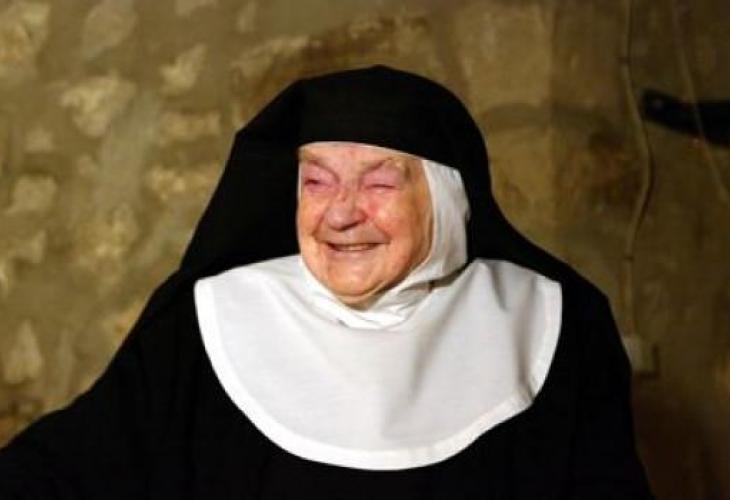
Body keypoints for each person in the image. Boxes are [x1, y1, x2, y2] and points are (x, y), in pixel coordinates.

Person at [0, 65, 653, 498]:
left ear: (445, 198)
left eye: (379, 182)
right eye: (316, 181)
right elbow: (63, 474)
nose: (340, 214)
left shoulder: (552, 326)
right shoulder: (208, 324)